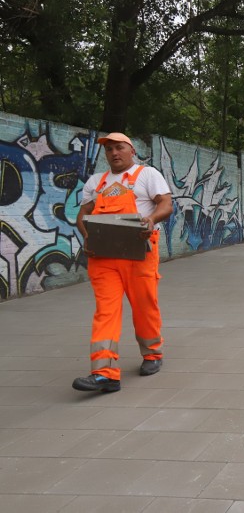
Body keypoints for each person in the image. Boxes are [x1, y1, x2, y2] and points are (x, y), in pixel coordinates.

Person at [73, 132, 173, 393]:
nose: (114, 153)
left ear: (131, 151)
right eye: (109, 150)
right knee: (105, 311)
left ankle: (152, 354)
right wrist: (87, 237)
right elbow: (82, 216)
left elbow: (166, 204)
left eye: (119, 148)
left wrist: (151, 220)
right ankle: (104, 373)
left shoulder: (147, 175)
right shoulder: (96, 182)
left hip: (139, 254)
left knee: (144, 306)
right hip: (104, 258)